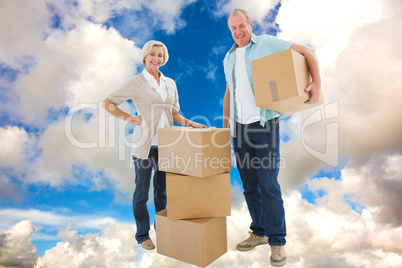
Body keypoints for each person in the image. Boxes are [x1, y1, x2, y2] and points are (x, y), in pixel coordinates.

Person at [222, 9, 321, 267]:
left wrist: (316, 84)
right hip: (239, 129)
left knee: (268, 184)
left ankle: (277, 242)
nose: (238, 32)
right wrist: (225, 127)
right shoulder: (228, 57)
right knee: (249, 185)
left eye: (241, 26)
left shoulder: (266, 43)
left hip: (265, 124)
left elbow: (307, 51)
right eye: (233, 28)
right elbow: (228, 93)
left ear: (250, 25)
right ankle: (259, 232)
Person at [102, 40, 206, 250]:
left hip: (167, 145)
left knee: (163, 193)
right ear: (145, 57)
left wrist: (193, 124)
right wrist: (131, 119)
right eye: (152, 55)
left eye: (160, 55)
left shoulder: (170, 84)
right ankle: (142, 235)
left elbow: (174, 114)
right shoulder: (136, 82)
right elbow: (108, 103)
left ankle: (164, 233)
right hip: (144, 146)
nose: (156, 59)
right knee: (142, 193)